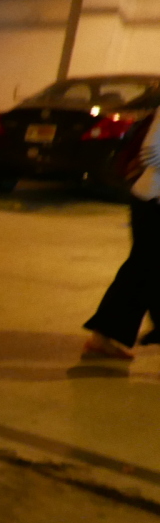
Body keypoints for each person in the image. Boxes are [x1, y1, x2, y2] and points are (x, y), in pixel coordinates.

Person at [82, 112, 160, 359]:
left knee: (146, 269)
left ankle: (104, 335)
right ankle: (102, 336)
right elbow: (150, 152)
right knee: (142, 268)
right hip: (152, 202)